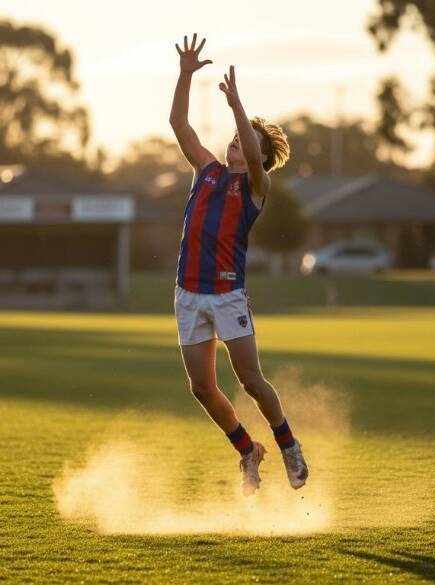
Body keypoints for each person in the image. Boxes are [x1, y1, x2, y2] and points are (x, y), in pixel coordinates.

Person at [169, 33, 308, 496]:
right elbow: (179, 124)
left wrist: (237, 107)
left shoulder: (255, 186)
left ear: (264, 162)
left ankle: (287, 444)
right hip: (189, 292)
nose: (234, 145)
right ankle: (249, 450)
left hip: (227, 293)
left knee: (250, 380)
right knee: (201, 388)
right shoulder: (206, 171)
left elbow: (251, 153)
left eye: (242, 142)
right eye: (231, 138)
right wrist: (185, 75)